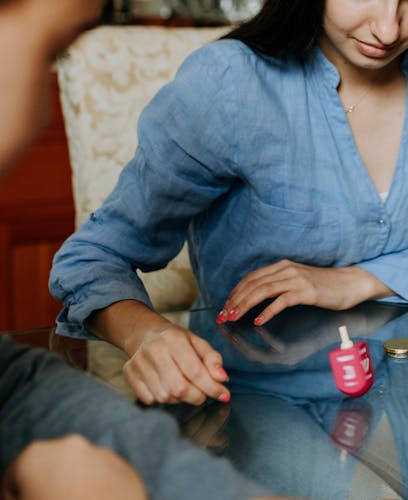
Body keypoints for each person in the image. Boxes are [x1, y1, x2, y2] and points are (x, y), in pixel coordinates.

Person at [49, 0, 408, 406]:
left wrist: (358, 281)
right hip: (261, 395)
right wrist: (146, 335)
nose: (388, 28)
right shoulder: (230, 82)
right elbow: (93, 257)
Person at [0, 1, 294, 499]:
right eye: (50, 48)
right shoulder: (229, 81)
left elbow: (19, 388)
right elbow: (92, 256)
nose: (45, 112)